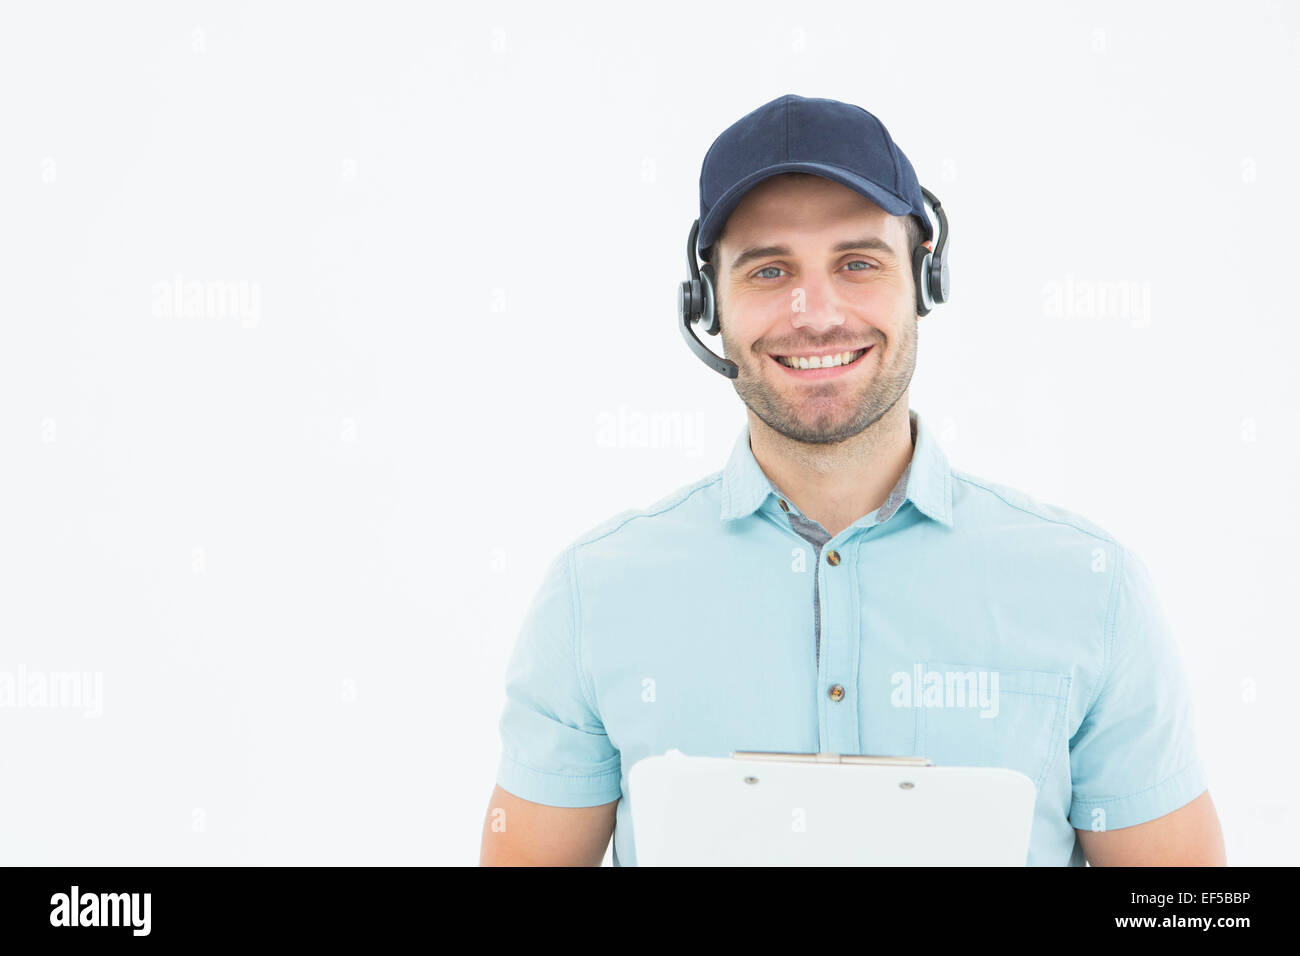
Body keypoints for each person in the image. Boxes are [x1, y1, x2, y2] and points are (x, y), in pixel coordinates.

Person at [479, 93, 1224, 866]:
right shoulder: (594, 595)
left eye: (857, 262)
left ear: (924, 280)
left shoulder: (1090, 589)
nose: (816, 312)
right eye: (769, 269)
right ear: (707, 305)